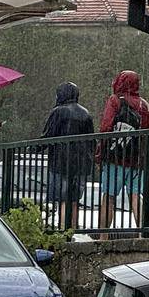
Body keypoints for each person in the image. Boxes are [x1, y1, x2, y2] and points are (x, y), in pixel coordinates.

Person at [96, 69, 149, 240]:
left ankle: (103, 237)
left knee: (109, 197)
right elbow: (147, 131)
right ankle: (143, 234)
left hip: (115, 157)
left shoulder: (115, 100)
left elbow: (106, 127)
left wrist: (101, 151)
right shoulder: (144, 105)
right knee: (136, 196)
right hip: (135, 159)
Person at [41, 82, 93, 233]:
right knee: (74, 199)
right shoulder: (85, 113)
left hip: (60, 162)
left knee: (62, 198)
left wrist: (35, 147)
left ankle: (63, 231)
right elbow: (91, 139)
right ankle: (73, 230)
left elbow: (48, 135)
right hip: (81, 164)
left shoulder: (58, 111)